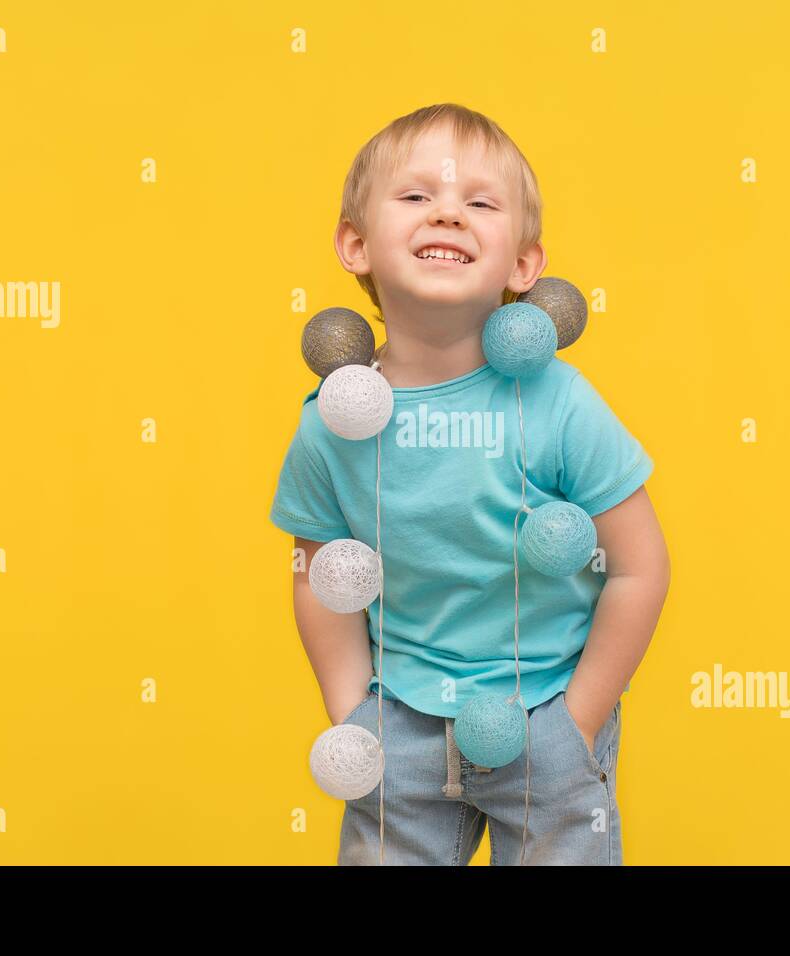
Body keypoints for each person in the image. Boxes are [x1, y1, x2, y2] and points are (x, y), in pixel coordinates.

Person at [270, 103, 670, 864]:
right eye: (417, 197)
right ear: (355, 245)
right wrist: (354, 714)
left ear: (523, 266)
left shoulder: (558, 402)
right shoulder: (331, 421)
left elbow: (640, 564)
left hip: (546, 713)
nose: (448, 212)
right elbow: (318, 574)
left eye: (479, 204)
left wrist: (579, 720)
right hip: (400, 730)